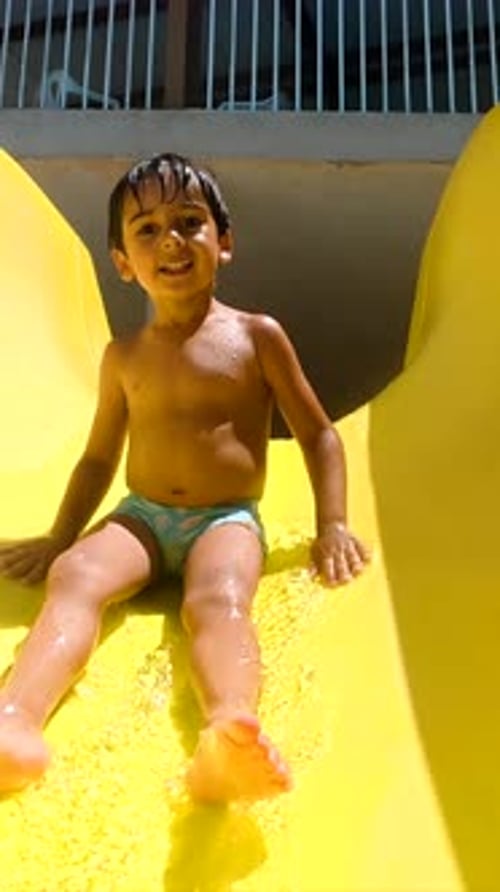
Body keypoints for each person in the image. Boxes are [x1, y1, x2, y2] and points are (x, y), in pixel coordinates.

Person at [0, 153, 369, 801]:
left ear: (222, 241)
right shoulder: (124, 357)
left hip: (224, 518)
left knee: (218, 599)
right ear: (122, 262)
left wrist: (332, 524)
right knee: (76, 577)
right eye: (146, 229)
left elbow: (318, 432)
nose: (170, 240)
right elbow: (96, 459)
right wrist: (61, 536)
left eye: (189, 222)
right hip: (142, 514)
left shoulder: (257, 337)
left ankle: (229, 729)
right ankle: (16, 722)